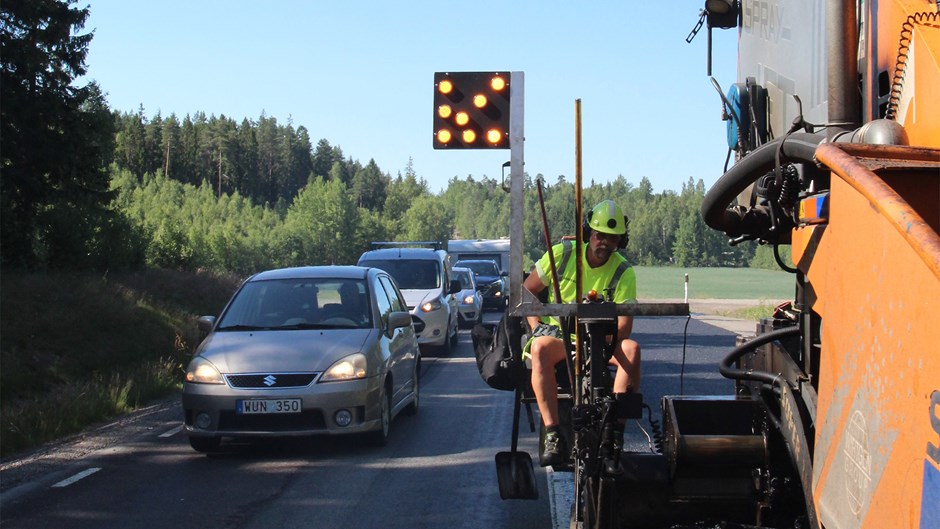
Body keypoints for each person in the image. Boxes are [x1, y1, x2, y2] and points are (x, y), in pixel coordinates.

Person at [522, 199, 641, 469]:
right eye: (600, 236)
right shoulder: (562, 255)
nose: (605, 243)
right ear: (589, 234)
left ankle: (614, 435)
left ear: (621, 241)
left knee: (632, 350)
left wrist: (598, 340)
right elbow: (528, 290)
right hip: (559, 337)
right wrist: (534, 325)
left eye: (613, 239)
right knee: (539, 347)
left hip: (602, 341)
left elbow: (624, 327)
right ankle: (553, 434)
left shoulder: (624, 271)